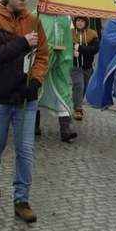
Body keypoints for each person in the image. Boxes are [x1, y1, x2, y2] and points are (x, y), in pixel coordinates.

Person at [0, 0, 48, 223]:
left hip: (25, 100)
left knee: (25, 150)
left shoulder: (34, 21)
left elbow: (42, 56)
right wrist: (21, 42)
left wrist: (36, 82)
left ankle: (21, 199)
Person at [35, 14, 77, 142]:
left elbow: (68, 40)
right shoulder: (36, 16)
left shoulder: (64, 19)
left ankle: (65, 129)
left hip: (61, 62)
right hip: (41, 61)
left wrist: (66, 57)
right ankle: (33, 126)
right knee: (35, 90)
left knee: (63, 92)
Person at [71, 16, 100, 121]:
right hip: (75, 65)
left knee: (85, 86)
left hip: (87, 66)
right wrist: (72, 50)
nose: (79, 23)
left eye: (82, 21)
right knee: (79, 84)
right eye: (78, 20)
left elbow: (95, 49)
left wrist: (81, 48)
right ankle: (77, 108)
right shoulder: (71, 33)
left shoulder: (92, 34)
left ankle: (79, 104)